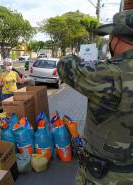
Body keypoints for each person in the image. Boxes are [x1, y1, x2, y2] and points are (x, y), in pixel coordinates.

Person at [57, 10, 133, 184]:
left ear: (116, 39)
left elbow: (64, 64)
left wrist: (89, 60)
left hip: (106, 177)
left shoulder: (110, 73)